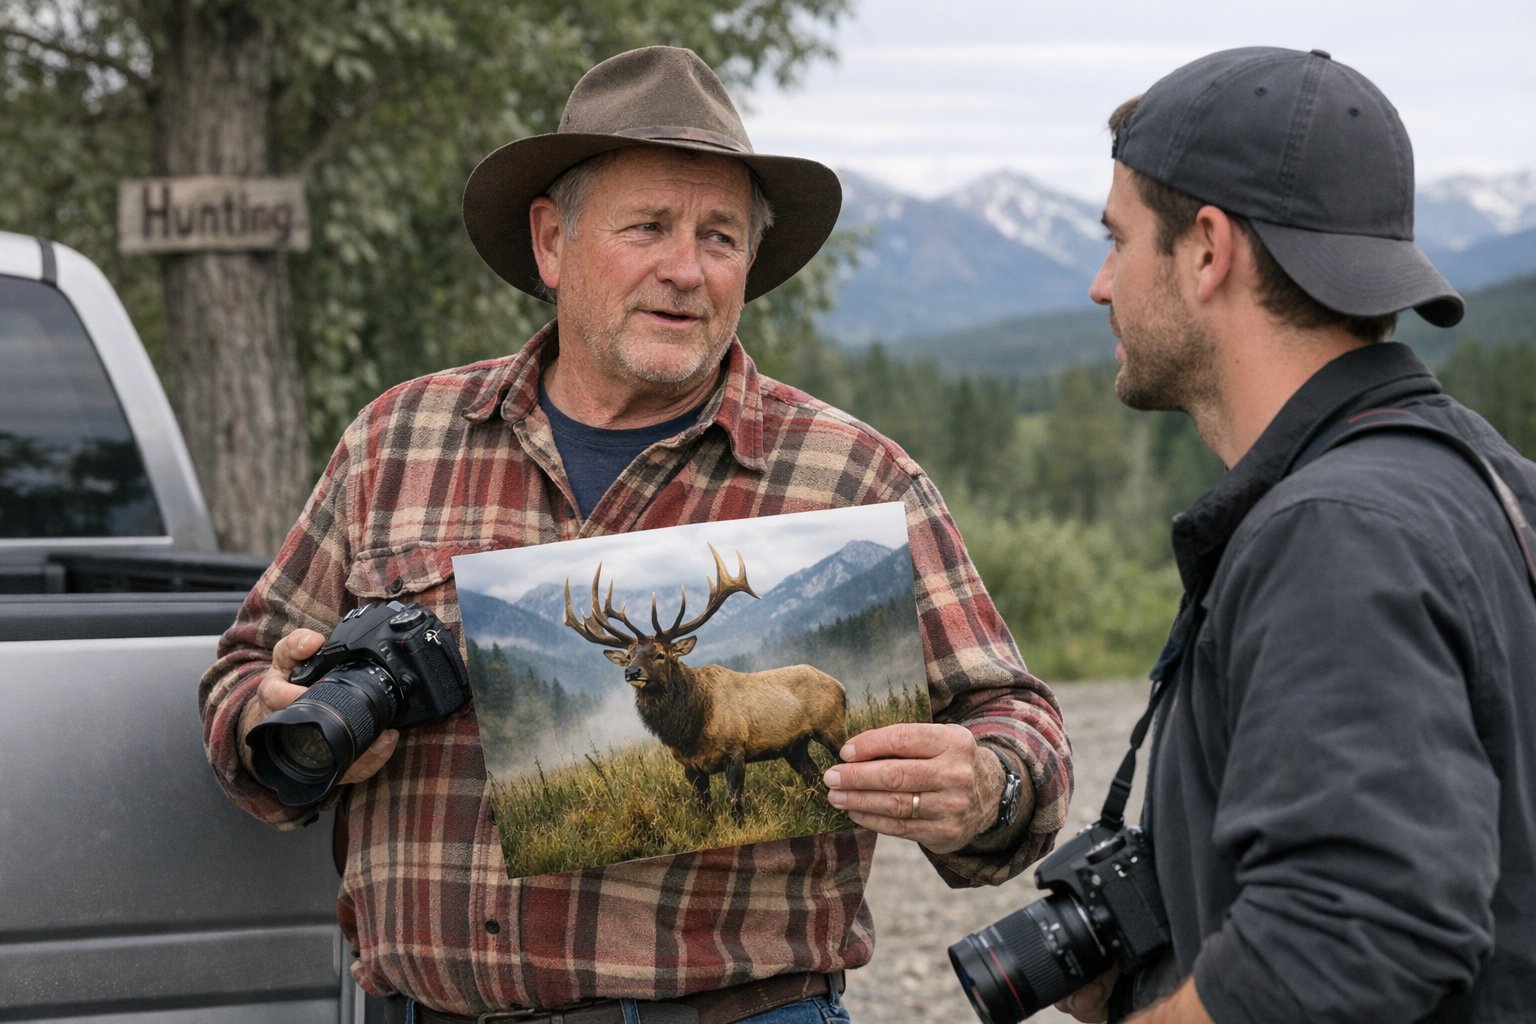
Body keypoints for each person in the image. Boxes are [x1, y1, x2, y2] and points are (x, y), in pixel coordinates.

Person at [199, 45, 1070, 1024]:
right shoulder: (395, 444)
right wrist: (275, 715)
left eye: (720, 236)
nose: (685, 270)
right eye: (648, 226)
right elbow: (239, 672)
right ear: (551, 243)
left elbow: (1018, 719)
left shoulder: (854, 479)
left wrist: (987, 782)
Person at [1058, 46, 1536, 1023]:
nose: (1101, 285)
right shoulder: (1487, 474)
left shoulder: (1334, 533)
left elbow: (1357, 933)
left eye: (1118, 240)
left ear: (1206, 249)